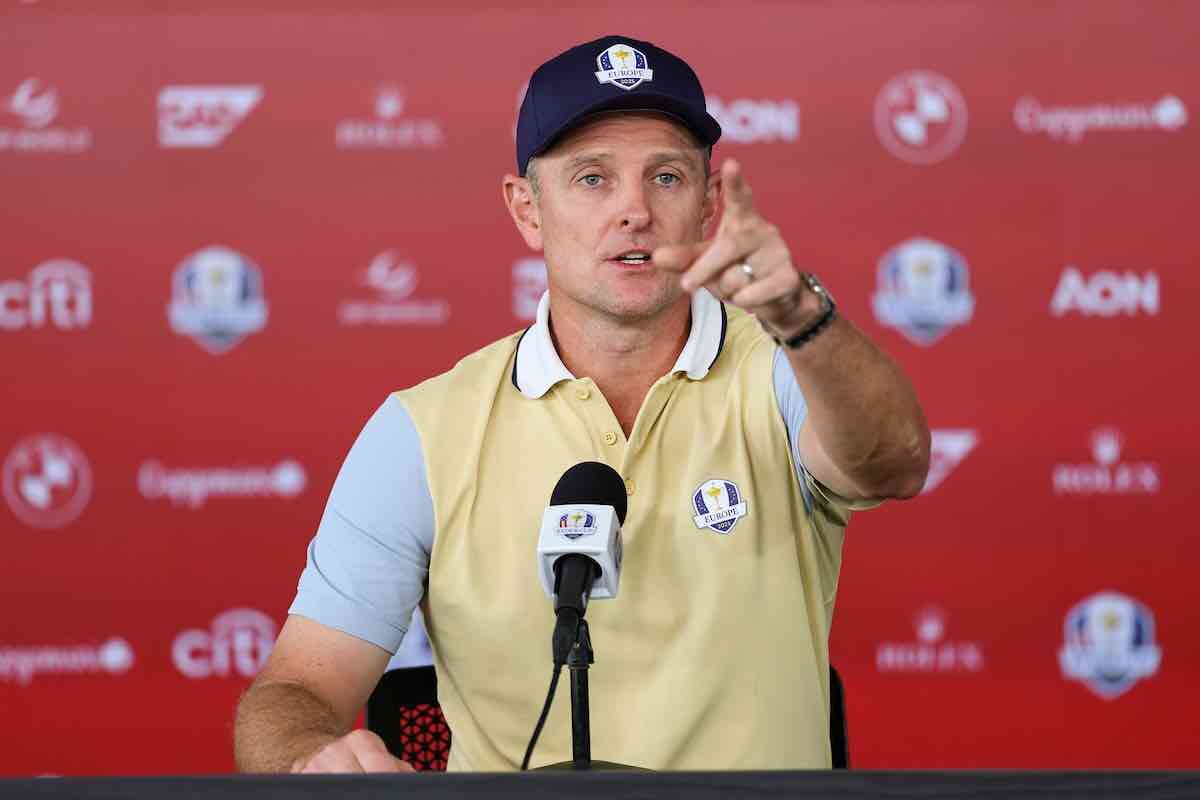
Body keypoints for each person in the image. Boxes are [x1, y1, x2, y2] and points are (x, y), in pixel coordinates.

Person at [234, 34, 929, 773]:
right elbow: (293, 690)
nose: (634, 210)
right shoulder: (422, 431)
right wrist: (309, 760)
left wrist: (804, 318)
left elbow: (894, 464)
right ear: (527, 210)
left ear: (709, 206)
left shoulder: (788, 370)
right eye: (593, 179)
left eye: (666, 177)